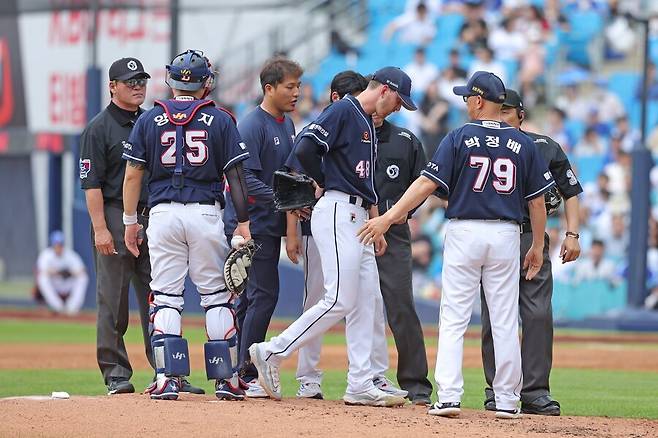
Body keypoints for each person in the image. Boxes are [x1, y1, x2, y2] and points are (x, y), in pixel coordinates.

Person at [357, 71, 554, 419]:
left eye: (467, 97)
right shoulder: (523, 143)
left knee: (454, 317)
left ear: (478, 101)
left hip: (466, 231)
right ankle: (507, 399)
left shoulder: (460, 136)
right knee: (505, 318)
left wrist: (388, 218)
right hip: (507, 233)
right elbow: (537, 204)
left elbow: (426, 184)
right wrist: (537, 244)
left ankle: (448, 396)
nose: (465, 103)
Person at [249, 67, 416, 407]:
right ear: (384, 90)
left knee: (368, 301)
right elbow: (305, 149)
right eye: (399, 100)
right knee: (339, 298)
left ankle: (360, 382)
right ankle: (271, 351)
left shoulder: (367, 121)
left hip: (359, 217)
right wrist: (318, 180)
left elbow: (365, 182)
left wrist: (375, 221)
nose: (399, 108)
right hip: (338, 209)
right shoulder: (344, 109)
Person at [121, 49, 252, 401]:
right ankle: (226, 379)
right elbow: (236, 177)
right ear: (204, 82)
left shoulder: (149, 119)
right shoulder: (221, 119)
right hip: (205, 213)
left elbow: (133, 175)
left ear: (171, 79)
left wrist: (129, 221)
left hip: (162, 214)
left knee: (165, 296)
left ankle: (167, 378)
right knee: (216, 297)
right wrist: (243, 223)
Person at [481, 89, 583, 417]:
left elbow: (570, 190)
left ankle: (536, 391)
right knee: (495, 316)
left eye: (507, 112)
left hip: (529, 235)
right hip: (494, 233)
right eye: (497, 111)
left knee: (538, 314)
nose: (501, 118)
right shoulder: (480, 143)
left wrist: (572, 234)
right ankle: (497, 389)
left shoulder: (544, 146)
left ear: (520, 115)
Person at [80, 57, 171, 395]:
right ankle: (116, 372)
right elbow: (91, 184)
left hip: (153, 216)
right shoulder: (98, 128)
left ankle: (165, 370)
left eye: (141, 81)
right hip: (116, 216)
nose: (137, 86)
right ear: (112, 86)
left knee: (159, 296)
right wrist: (101, 229)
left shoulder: (151, 122)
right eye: (130, 81)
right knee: (113, 300)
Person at [223, 57, 303, 398]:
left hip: (268, 223)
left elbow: (284, 177)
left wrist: (290, 220)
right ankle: (247, 371)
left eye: (298, 86)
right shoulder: (253, 125)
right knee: (263, 295)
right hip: (252, 224)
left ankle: (236, 370)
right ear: (268, 88)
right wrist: (283, 201)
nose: (296, 92)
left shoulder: (285, 123)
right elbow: (243, 179)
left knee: (252, 299)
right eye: (290, 86)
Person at [371, 109, 433, 405]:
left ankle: (416, 384)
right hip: (353, 225)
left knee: (401, 305)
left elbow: (424, 184)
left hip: (393, 230)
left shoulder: (406, 140)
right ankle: (360, 378)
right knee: (351, 305)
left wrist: (405, 213)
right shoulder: (345, 133)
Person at [34, 230, 88, 315]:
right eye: (56, 244)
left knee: (83, 277)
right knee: (42, 278)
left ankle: (72, 308)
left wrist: (69, 272)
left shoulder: (70, 254)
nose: (58, 247)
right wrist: (58, 272)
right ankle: (59, 307)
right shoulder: (46, 255)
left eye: (60, 244)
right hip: (54, 284)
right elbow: (42, 271)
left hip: (67, 284)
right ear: (53, 244)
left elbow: (82, 270)